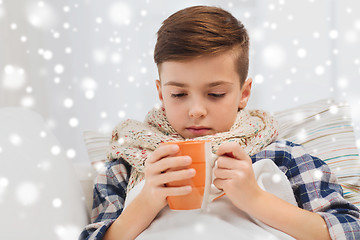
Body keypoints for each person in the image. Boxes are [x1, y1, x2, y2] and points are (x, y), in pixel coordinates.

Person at [80, 5, 360, 240]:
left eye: (215, 94)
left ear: (244, 93)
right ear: (161, 94)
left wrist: (256, 199)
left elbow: (349, 230)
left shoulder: (285, 157)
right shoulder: (125, 166)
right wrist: (146, 203)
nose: (196, 110)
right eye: (178, 94)